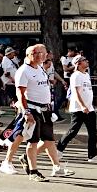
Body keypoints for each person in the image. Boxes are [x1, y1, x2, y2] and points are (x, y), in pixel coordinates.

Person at [15, 44, 73, 180]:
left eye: (43, 53)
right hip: (33, 109)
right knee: (33, 141)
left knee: (49, 140)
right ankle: (33, 171)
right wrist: (26, 112)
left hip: (45, 109)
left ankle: (56, 167)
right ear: (30, 55)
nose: (42, 56)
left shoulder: (40, 68)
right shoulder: (24, 71)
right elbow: (20, 93)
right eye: (38, 53)